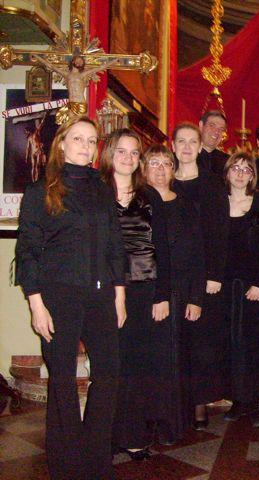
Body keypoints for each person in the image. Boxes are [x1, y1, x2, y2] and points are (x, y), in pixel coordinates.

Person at [15, 116, 126, 480]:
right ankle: (66, 463)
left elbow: (115, 246)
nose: (85, 145)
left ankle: (95, 458)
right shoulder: (40, 191)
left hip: (100, 296)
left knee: (108, 374)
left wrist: (119, 297)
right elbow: (28, 250)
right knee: (61, 377)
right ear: (62, 144)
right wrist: (36, 304)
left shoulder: (102, 188)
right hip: (58, 297)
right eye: (78, 138)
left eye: (91, 140)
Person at [101, 128, 171, 460]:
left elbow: (163, 250)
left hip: (144, 291)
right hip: (106, 291)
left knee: (139, 365)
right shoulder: (97, 194)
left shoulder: (149, 197)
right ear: (109, 154)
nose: (128, 158)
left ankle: (133, 433)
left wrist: (162, 295)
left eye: (133, 153)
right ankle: (108, 432)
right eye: (122, 152)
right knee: (111, 364)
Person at [203, 152, 259, 426]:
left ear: (252, 175)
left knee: (253, 343)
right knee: (230, 342)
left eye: (246, 169)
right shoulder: (216, 203)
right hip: (223, 286)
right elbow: (209, 244)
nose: (240, 173)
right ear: (227, 172)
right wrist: (212, 276)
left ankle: (255, 402)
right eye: (235, 167)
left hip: (252, 286)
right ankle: (236, 399)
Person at [143, 144, 206, 443]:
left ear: (173, 169)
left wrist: (196, 298)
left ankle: (173, 422)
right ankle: (147, 421)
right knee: (150, 359)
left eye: (165, 163)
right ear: (144, 168)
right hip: (147, 292)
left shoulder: (186, 205)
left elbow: (197, 255)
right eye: (153, 163)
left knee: (177, 359)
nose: (159, 169)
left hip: (181, 293)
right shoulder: (138, 202)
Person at [170, 122, 218, 429]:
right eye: (181, 142)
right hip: (173, 274)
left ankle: (199, 403)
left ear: (200, 147)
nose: (187, 147)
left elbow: (219, 232)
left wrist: (213, 274)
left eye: (192, 142)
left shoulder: (212, 183)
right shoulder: (164, 183)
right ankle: (177, 404)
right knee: (174, 341)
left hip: (202, 274)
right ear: (173, 146)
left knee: (200, 340)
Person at [197, 110, 229, 178]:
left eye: (221, 129)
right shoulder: (187, 155)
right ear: (201, 125)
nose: (216, 132)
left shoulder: (227, 162)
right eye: (212, 125)